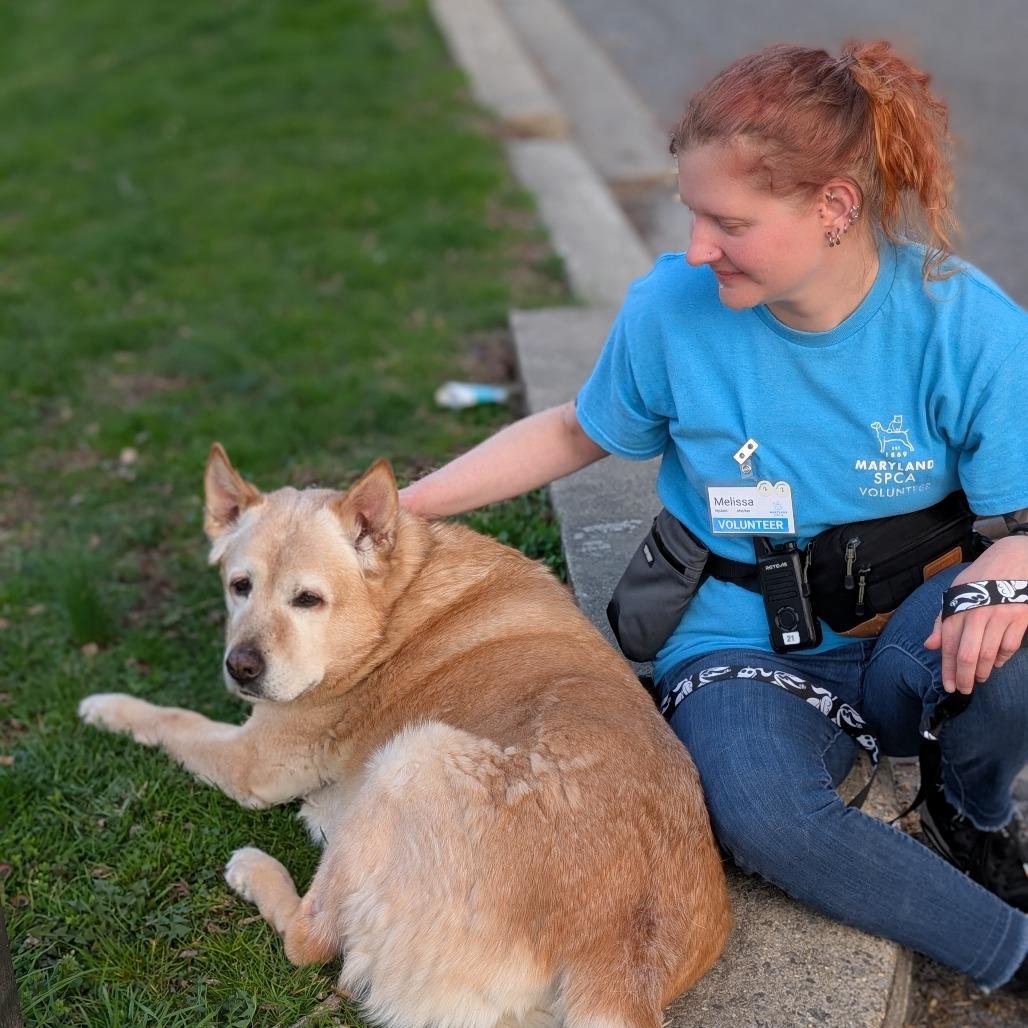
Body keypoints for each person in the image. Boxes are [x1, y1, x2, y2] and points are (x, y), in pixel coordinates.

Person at [400, 40, 1028, 993]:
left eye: (726, 221)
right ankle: (1009, 951)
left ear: (834, 208)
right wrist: (400, 508)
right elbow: (577, 430)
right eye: (692, 212)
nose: (696, 246)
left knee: (1020, 640)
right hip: (736, 639)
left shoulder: (964, 325)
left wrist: (1010, 565)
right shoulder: (673, 309)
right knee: (761, 815)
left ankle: (971, 809)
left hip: (909, 630)